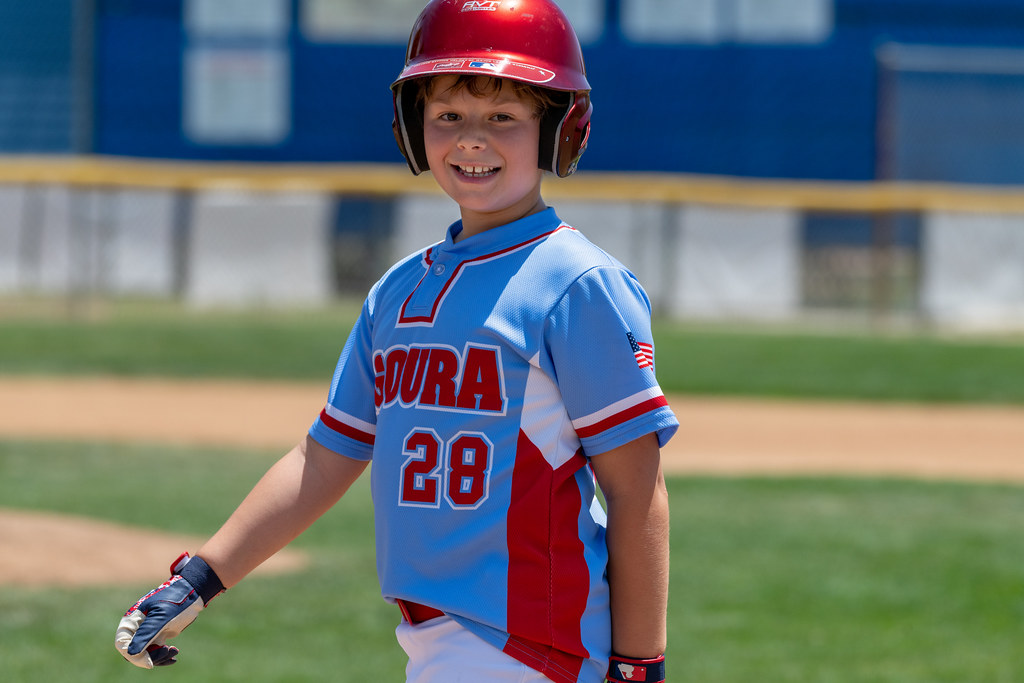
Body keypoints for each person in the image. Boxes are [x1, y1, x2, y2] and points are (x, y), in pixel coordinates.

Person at [113, 1, 677, 682]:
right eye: (448, 116)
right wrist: (201, 577)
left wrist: (639, 662)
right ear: (414, 128)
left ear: (559, 128)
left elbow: (635, 487)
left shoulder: (577, 283)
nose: (472, 139)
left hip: (536, 647)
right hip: (437, 642)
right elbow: (326, 454)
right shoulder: (398, 290)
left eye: (504, 116)